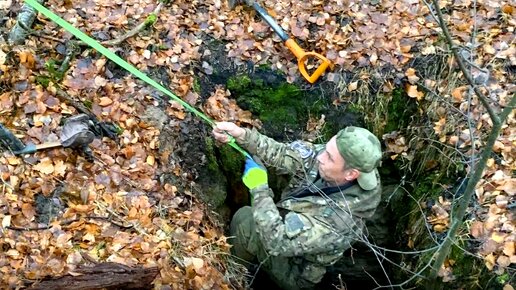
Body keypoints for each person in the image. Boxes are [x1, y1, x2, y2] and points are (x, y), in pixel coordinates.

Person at [212, 122, 383, 290]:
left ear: (351, 174)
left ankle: (233, 276)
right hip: (291, 222)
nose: (320, 157)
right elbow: (286, 154)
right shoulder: (339, 159)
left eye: (329, 157)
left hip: (295, 270)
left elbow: (277, 241)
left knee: (246, 221)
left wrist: (259, 189)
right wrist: (243, 136)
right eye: (326, 149)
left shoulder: (339, 221)